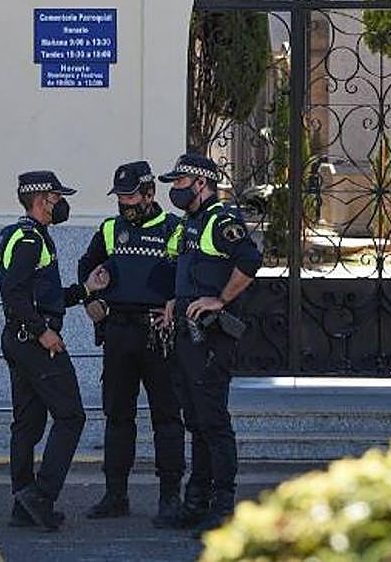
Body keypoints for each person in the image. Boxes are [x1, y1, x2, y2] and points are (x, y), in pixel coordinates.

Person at [0, 170, 110, 531]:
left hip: (20, 339)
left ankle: (23, 505)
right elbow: (14, 295)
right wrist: (42, 331)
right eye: (57, 198)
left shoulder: (22, 234)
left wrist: (85, 290)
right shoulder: (30, 240)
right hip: (34, 343)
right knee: (71, 416)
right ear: (41, 200)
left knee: (27, 425)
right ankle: (40, 497)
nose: (62, 204)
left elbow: (46, 297)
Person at [76, 161, 186, 526]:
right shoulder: (110, 229)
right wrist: (91, 300)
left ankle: (170, 496)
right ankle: (115, 495)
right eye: (120, 197)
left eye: (131, 196)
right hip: (118, 332)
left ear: (150, 193)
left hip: (158, 333)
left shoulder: (174, 229)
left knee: (167, 418)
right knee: (117, 417)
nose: (125, 204)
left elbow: (189, 275)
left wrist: (177, 304)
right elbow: (86, 269)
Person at [158, 153, 262, 535]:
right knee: (197, 422)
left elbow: (250, 261)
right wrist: (176, 301)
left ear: (201, 183)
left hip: (211, 339)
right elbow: (191, 272)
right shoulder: (192, 222)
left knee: (213, 423)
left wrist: (221, 299)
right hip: (187, 335)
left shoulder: (222, 220)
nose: (175, 189)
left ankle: (222, 507)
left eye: (180, 182)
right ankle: (196, 502)